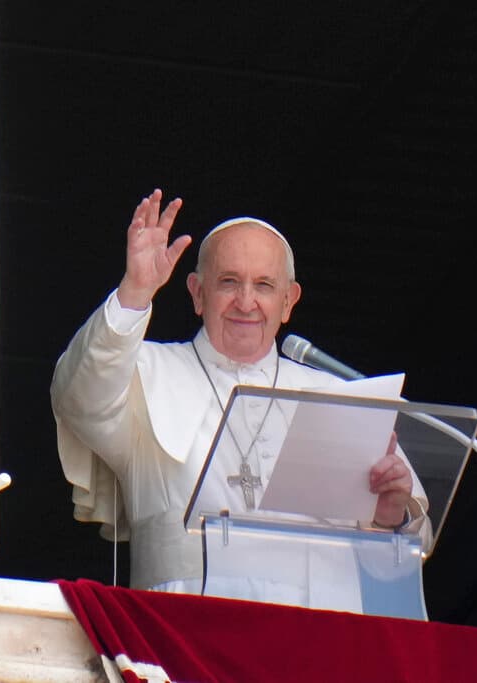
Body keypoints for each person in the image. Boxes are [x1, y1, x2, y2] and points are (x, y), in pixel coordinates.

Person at [51, 188, 428, 605]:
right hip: (182, 621)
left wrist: (390, 515)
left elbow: (396, 563)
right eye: (228, 282)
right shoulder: (144, 371)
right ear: (197, 293)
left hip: (320, 627)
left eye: (264, 285)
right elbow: (80, 396)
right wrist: (135, 290)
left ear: (288, 301)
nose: (246, 302)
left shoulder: (337, 396)